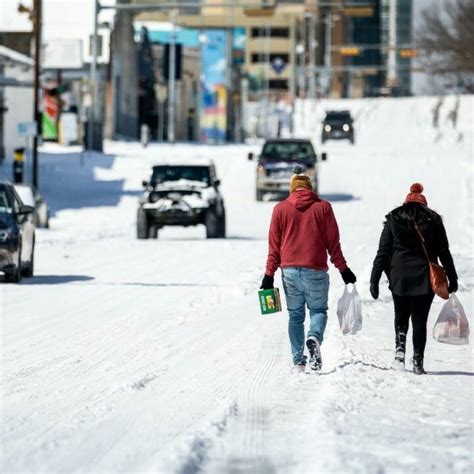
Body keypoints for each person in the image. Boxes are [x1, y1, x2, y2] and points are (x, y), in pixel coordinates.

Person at [261, 170, 356, 372]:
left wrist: (268, 276)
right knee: (318, 311)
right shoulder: (324, 208)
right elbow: (333, 244)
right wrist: (344, 270)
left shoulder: (280, 209)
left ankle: (298, 362)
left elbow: (274, 248)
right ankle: (314, 337)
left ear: (292, 188)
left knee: (295, 317)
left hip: (289, 272)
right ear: (309, 188)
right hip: (315, 271)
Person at [370, 183, 458, 375]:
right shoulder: (433, 220)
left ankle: (399, 353)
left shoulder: (393, 218)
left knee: (401, 315)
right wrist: (452, 277)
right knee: (419, 319)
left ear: (406, 202)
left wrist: (374, 279)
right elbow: (444, 251)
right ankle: (418, 360)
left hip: (399, 275)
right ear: (424, 203)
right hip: (424, 277)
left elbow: (383, 252)